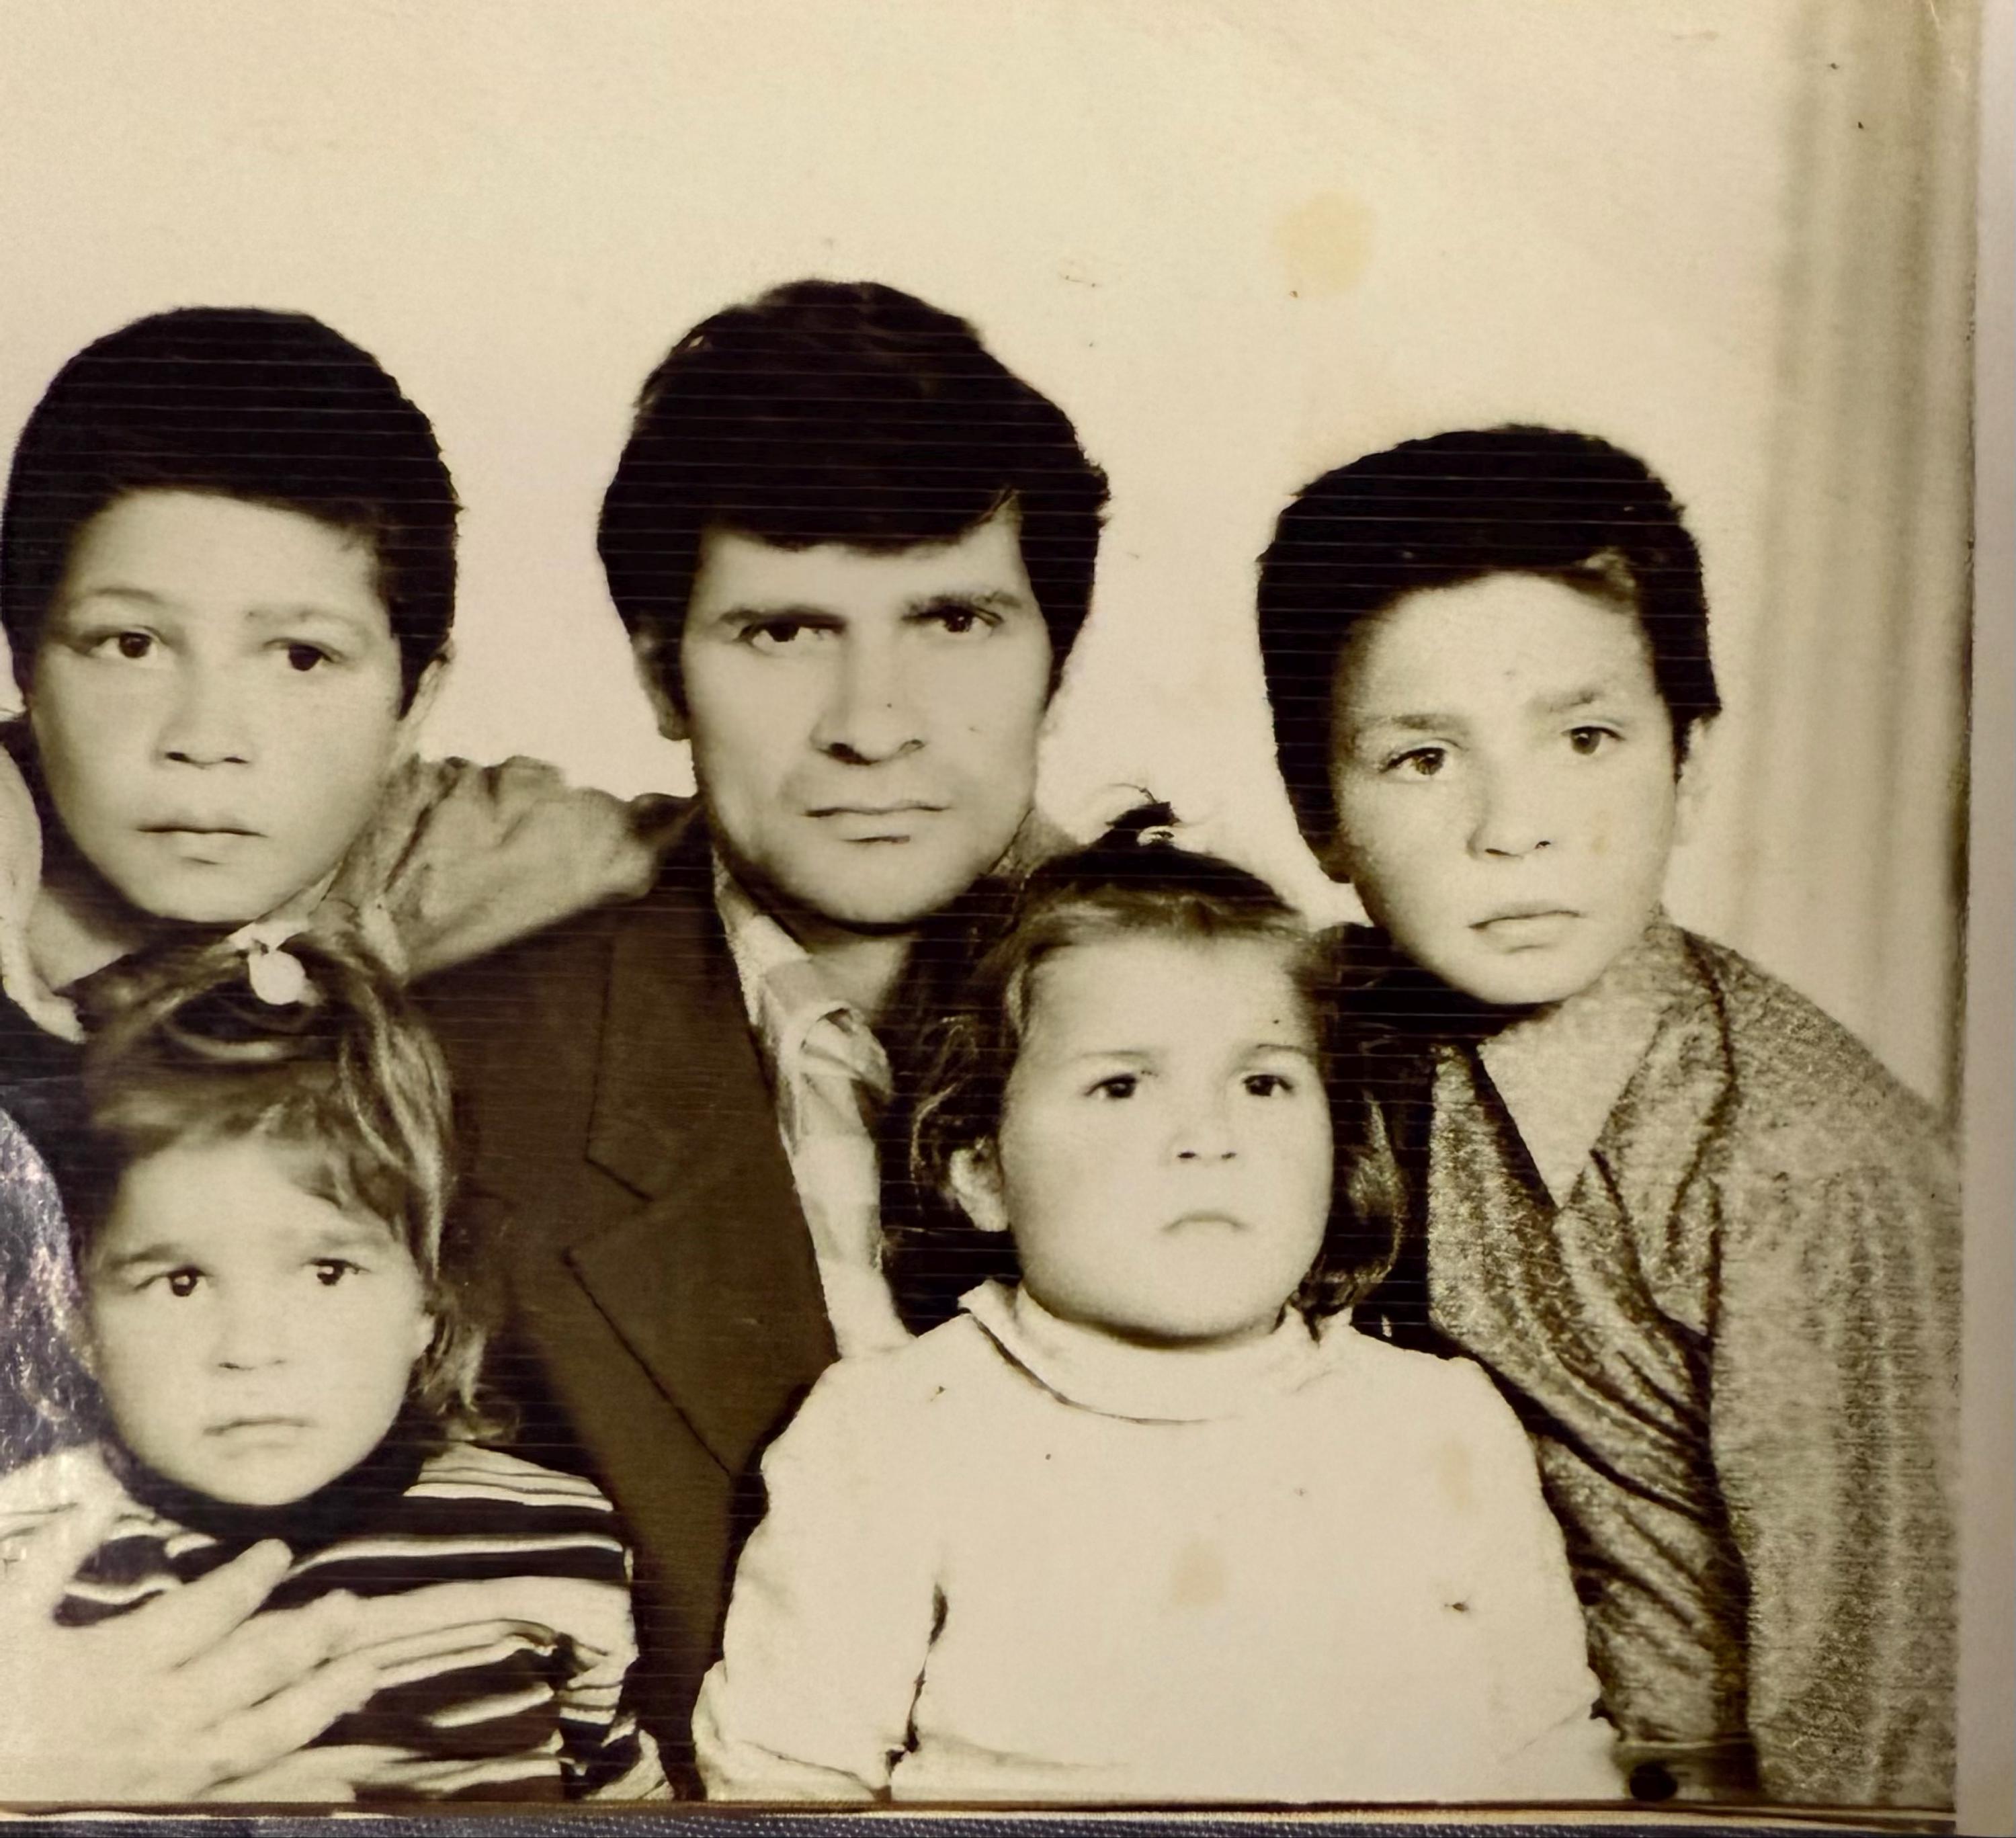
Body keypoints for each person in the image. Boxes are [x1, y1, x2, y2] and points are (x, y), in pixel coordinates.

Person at [419, 277, 1109, 1771]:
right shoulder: (458, 1085)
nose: (874, 722)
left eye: (955, 619)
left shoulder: (1287, 1036)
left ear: (1059, 652)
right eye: (784, 629)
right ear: (660, 671)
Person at [1254, 425, 1958, 1809]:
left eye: (1586, 739)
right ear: (1315, 808)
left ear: (1689, 764)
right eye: (1422, 758)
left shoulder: (1805, 1167)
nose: (1514, 828)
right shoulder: (1314, 1027)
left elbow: (1885, 1746)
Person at [691, 814, 1620, 1803]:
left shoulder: (1440, 1424)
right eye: (1122, 1085)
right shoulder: (891, 1432)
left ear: (1337, 1139)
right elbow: (783, 1782)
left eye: (1263, 1081)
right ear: (981, 1168)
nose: (1208, 1135)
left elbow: (1552, 1765)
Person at [3, 927, 665, 1802]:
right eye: (181, 1280)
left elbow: (622, 1795)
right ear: (79, 1321)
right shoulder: (27, 1554)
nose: (251, 1348)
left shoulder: (555, 1533)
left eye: (327, 1270)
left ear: (429, 1301)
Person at [0, 304, 675, 1104]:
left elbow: (731, 843)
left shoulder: (464, 853)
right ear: (26, 662)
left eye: (302, 656)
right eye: (131, 644)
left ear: (414, 701)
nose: (206, 739)